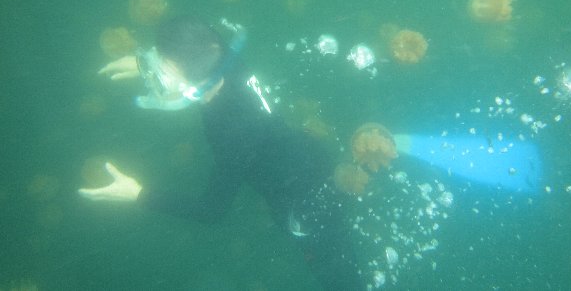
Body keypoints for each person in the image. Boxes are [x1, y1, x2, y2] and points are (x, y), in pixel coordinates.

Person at [79, 16, 365, 290]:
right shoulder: (223, 56)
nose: (156, 77)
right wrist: (143, 63)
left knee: (338, 272)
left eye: (162, 74)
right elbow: (193, 49)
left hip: (302, 202)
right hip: (306, 151)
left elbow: (211, 210)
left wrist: (138, 194)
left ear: (192, 85)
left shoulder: (231, 133)